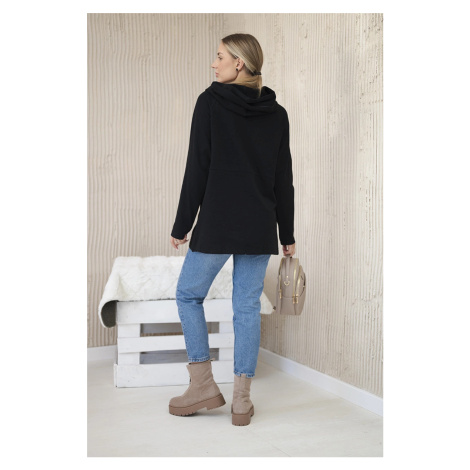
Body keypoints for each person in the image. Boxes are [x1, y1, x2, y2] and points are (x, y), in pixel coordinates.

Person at [168, 33, 296, 426]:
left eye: (219, 56)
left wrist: (182, 224)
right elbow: (283, 179)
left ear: (239, 62)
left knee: (188, 295)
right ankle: (241, 400)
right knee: (247, 308)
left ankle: (202, 385)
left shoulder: (210, 102)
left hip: (219, 222)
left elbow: (198, 166)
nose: (214, 63)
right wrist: (287, 234)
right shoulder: (277, 113)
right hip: (260, 225)